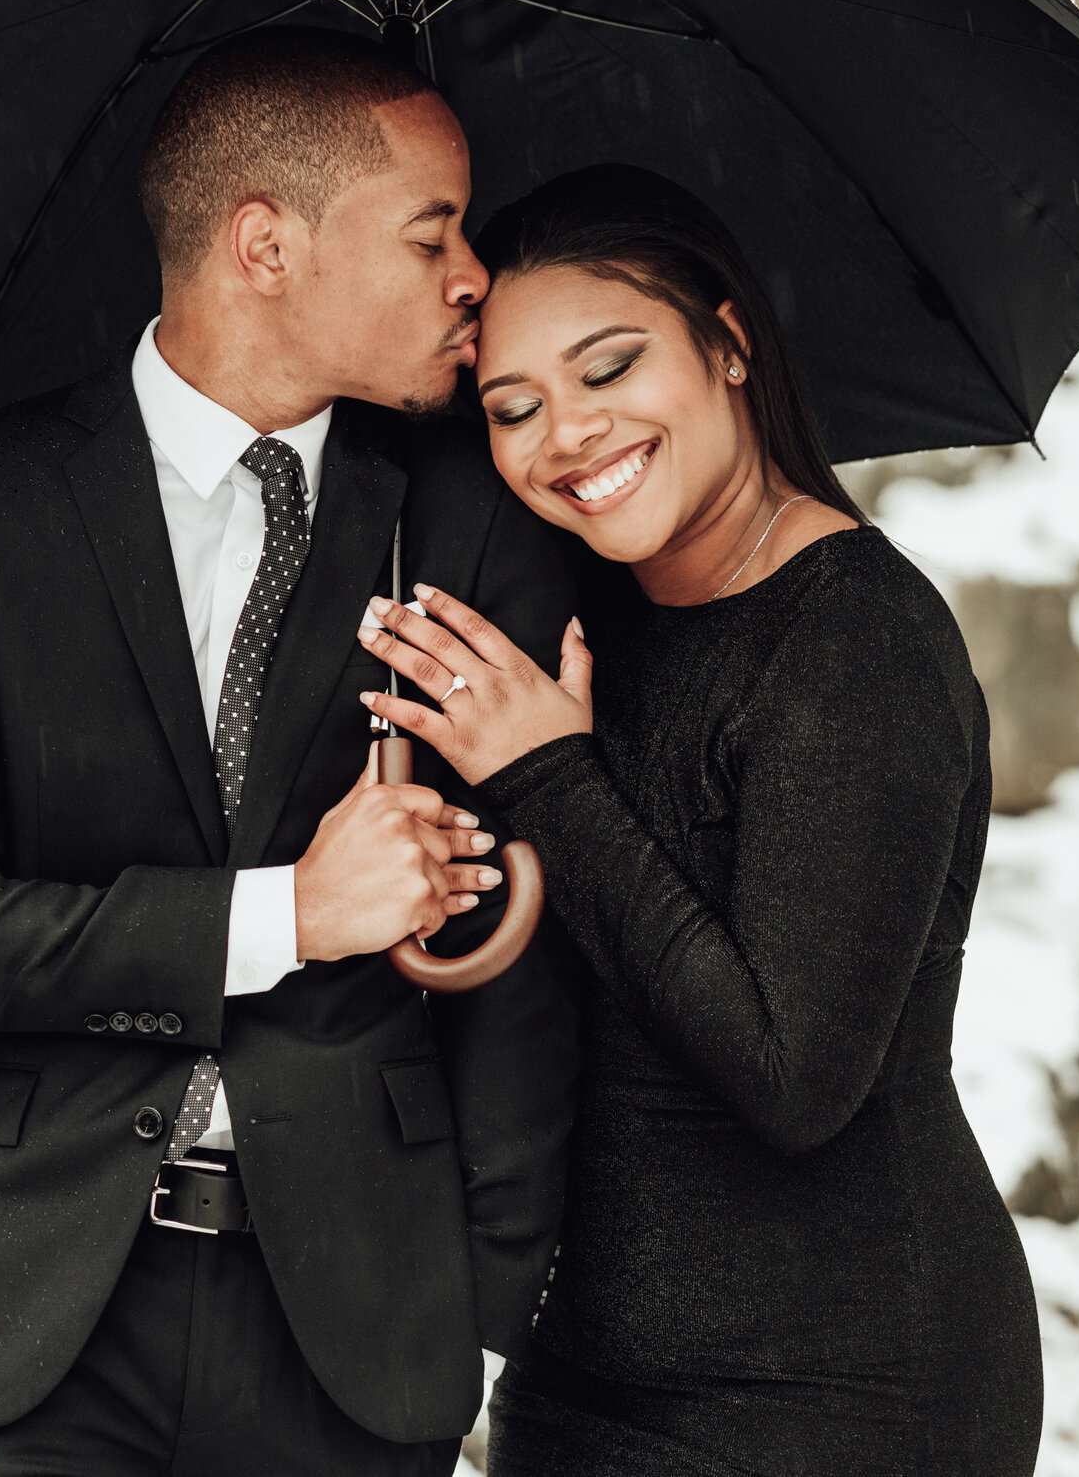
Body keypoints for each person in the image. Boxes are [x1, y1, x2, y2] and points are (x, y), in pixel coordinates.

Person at [0, 26, 583, 1476]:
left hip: (356, 1350)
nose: (474, 276)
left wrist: (481, 1305)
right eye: (432, 234)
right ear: (265, 243)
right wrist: (285, 915)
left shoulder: (473, 525)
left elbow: (526, 971)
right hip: (22, 1335)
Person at [358, 165, 1044, 1476]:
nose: (568, 432)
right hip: (581, 1379)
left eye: (610, 368)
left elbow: (791, 1074)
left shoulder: (857, 646)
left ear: (729, 344)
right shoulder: (579, 626)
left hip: (845, 1394)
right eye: (514, 405)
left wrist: (552, 779)